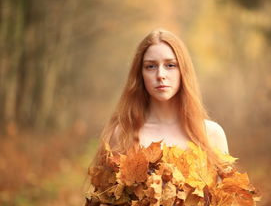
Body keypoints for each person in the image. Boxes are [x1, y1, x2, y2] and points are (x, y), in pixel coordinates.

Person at [97, 28, 229, 162]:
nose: (160, 75)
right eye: (151, 66)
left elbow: (229, 183)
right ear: (140, 74)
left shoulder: (211, 134)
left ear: (183, 70)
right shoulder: (122, 135)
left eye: (170, 65)